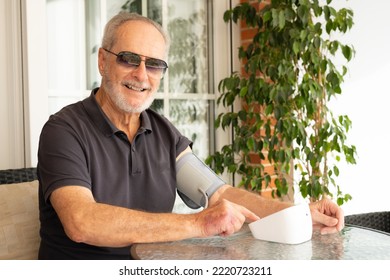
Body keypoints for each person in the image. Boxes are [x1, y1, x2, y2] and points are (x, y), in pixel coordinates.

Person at [37, 12, 344, 260]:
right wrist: (198, 223)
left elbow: (219, 194)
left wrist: (298, 213)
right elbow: (82, 222)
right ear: (103, 61)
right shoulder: (64, 130)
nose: (142, 75)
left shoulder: (163, 133)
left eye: (154, 64)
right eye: (129, 59)